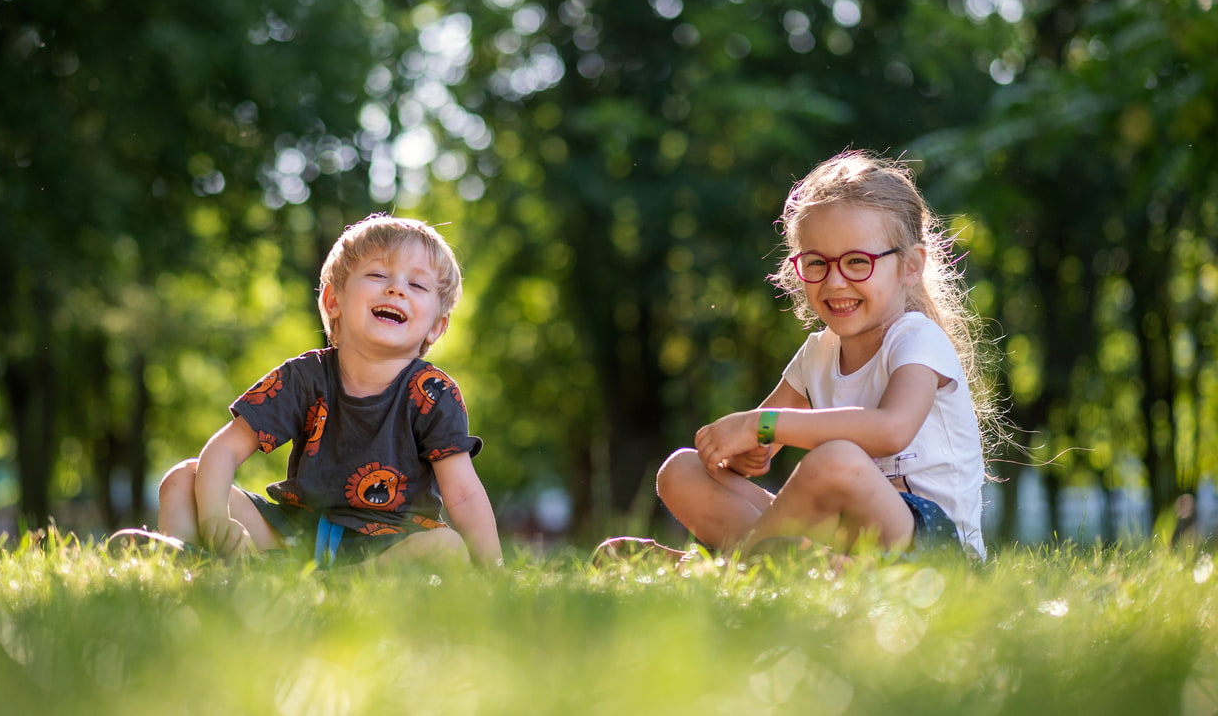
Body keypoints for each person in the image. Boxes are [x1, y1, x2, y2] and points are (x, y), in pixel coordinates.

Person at [599, 151, 996, 566]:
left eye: (858, 262)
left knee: (835, 460)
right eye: (816, 263)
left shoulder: (918, 340)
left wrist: (760, 425)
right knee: (682, 471)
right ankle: (803, 563)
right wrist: (745, 450)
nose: (835, 280)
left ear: (910, 266)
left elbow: (891, 430)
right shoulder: (818, 353)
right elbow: (759, 445)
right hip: (846, 536)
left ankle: (720, 573)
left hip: (935, 548)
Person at [156, 214, 502, 570]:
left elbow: (462, 494)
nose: (396, 289)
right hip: (297, 535)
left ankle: (344, 581)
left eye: (417, 285)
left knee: (445, 547)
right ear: (334, 300)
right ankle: (188, 568)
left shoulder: (434, 393)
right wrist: (216, 520)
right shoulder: (304, 378)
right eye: (378, 275)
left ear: (436, 326)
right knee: (185, 479)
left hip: (390, 544)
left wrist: (494, 571)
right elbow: (225, 449)